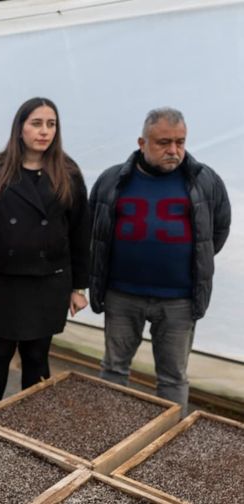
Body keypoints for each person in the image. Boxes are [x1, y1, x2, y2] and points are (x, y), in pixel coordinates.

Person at [89, 107, 231, 413]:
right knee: (114, 369)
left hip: (179, 300)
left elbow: (217, 232)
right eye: (164, 142)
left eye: (180, 142)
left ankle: (169, 437)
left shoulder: (204, 181)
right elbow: (94, 230)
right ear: (142, 143)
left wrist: (186, 263)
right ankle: (108, 431)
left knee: (173, 378)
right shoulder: (113, 180)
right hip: (122, 295)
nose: (174, 150)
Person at [0, 97, 90, 408]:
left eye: (51, 124)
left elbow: (81, 233)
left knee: (37, 356)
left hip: (47, 282)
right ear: (20, 128)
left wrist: (79, 288)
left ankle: (31, 423)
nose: (44, 131)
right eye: (36, 123)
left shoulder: (68, 172)